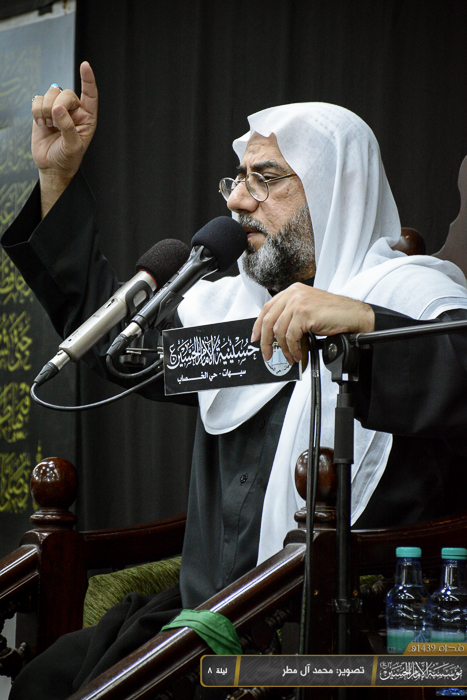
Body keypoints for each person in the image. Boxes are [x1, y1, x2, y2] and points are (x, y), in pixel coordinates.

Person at [3, 61, 467, 698]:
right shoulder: (234, 316)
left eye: (265, 180)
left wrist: (362, 321)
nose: (237, 201)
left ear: (335, 191)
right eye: (238, 179)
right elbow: (119, 347)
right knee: (44, 681)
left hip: (332, 640)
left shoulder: (409, 297)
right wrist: (57, 179)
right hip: (207, 619)